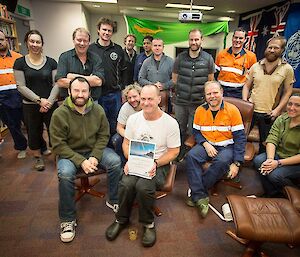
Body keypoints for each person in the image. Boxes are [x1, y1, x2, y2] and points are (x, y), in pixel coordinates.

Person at [105, 84, 180, 247]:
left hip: (159, 163)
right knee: (126, 184)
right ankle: (121, 219)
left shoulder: (170, 123)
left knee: (143, 187)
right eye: (143, 99)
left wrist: (156, 162)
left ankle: (148, 224)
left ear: (159, 99)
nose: (146, 103)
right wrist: (129, 159)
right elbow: (126, 143)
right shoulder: (133, 119)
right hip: (137, 160)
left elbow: (174, 151)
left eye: (150, 99)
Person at [50, 77, 122, 243]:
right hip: (69, 152)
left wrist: (94, 157)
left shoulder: (98, 110)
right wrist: (81, 161)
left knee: (115, 161)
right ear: (69, 92)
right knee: (66, 174)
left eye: (84, 91)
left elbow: (104, 135)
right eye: (76, 90)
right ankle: (67, 219)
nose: (80, 94)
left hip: (93, 149)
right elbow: (58, 145)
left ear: (90, 93)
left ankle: (114, 200)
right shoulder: (59, 114)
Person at [185, 81, 246, 218]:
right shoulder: (200, 110)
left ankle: (197, 193)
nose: (212, 96)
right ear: (205, 96)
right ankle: (200, 195)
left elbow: (240, 138)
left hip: (227, 146)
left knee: (222, 161)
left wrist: (237, 163)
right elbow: (196, 132)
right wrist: (205, 144)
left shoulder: (233, 110)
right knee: (191, 156)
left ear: (222, 93)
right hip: (206, 144)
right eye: (209, 94)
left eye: (215, 93)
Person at [13, 30, 58, 171]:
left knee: (55, 131)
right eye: (32, 41)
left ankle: (57, 156)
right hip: (30, 105)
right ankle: (38, 157)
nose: (35, 44)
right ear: (27, 42)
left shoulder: (51, 62)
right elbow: (20, 86)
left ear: (42, 44)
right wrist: (40, 101)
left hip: (51, 104)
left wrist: (49, 102)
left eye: (38, 42)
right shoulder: (20, 62)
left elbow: (56, 83)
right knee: (33, 131)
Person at [243, 36, 295, 153]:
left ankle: (261, 166)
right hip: (251, 110)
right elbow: (246, 86)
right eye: (270, 47)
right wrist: (245, 102)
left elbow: (288, 92)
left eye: (275, 48)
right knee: (241, 139)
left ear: (282, 50)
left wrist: (277, 110)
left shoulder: (287, 69)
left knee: (266, 143)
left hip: (270, 113)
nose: (271, 50)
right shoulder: (256, 66)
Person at [172, 29, 215, 144]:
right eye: (191, 39)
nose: (194, 42)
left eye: (196, 39)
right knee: (179, 129)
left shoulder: (208, 59)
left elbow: (210, 82)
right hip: (180, 102)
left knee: (193, 131)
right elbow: (175, 79)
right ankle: (177, 153)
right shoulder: (180, 58)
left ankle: (187, 155)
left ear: (201, 40)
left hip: (198, 103)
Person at [253, 93, 300, 198]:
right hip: (280, 154)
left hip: (296, 162)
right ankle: (273, 193)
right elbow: (272, 139)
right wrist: (270, 160)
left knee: (275, 175)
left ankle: (293, 193)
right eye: (290, 104)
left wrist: (278, 163)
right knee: (259, 161)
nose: (292, 108)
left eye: (297, 105)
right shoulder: (282, 119)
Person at [89, 17, 125, 137]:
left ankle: (113, 147)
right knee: (100, 123)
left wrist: (122, 89)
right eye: (104, 29)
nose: (106, 33)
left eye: (109, 31)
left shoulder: (118, 49)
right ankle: (102, 148)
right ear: (98, 30)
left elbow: (123, 71)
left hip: (115, 93)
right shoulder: (90, 49)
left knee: (115, 121)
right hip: (97, 94)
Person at [55, 27, 104, 101]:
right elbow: (61, 82)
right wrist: (90, 80)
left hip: (92, 102)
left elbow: (98, 81)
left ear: (89, 42)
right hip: (70, 101)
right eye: (79, 40)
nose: (82, 43)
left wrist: (72, 76)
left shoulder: (96, 58)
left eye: (85, 41)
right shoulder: (64, 57)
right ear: (73, 40)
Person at [0, 29, 27, 159]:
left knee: (30, 123)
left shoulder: (18, 57)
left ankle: (40, 146)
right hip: (3, 98)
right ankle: (21, 147)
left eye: (1, 39)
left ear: (6, 40)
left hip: (21, 95)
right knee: (13, 125)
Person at [215, 27, 257, 98]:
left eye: (240, 38)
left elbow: (252, 79)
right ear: (232, 38)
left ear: (245, 40)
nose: (237, 40)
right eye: (235, 37)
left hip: (239, 93)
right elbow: (215, 73)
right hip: (221, 91)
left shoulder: (251, 56)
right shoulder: (221, 54)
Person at [138, 38, 174, 112]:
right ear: (151, 47)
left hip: (165, 97)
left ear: (163, 47)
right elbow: (141, 78)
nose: (157, 48)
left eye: (159, 45)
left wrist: (164, 85)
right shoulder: (146, 62)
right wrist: (152, 85)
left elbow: (175, 79)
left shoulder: (170, 61)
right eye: (155, 45)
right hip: (149, 97)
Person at [111, 83, 142, 165]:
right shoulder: (126, 107)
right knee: (116, 139)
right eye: (129, 98)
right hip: (130, 135)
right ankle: (123, 164)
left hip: (145, 134)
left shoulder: (146, 105)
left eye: (135, 96)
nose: (132, 100)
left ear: (140, 95)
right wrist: (129, 136)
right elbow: (119, 127)